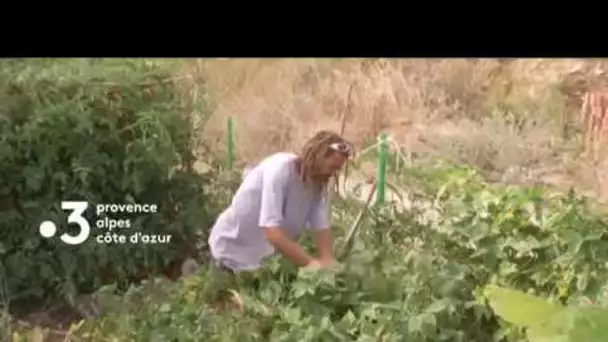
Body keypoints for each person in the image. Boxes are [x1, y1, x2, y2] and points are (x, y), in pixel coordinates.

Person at [208, 130, 354, 274]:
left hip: (260, 263)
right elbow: (271, 231)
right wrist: (310, 263)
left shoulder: (316, 183)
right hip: (229, 252)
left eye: (337, 169)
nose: (333, 173)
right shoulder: (280, 171)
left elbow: (321, 225)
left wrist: (327, 259)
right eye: (332, 167)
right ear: (318, 155)